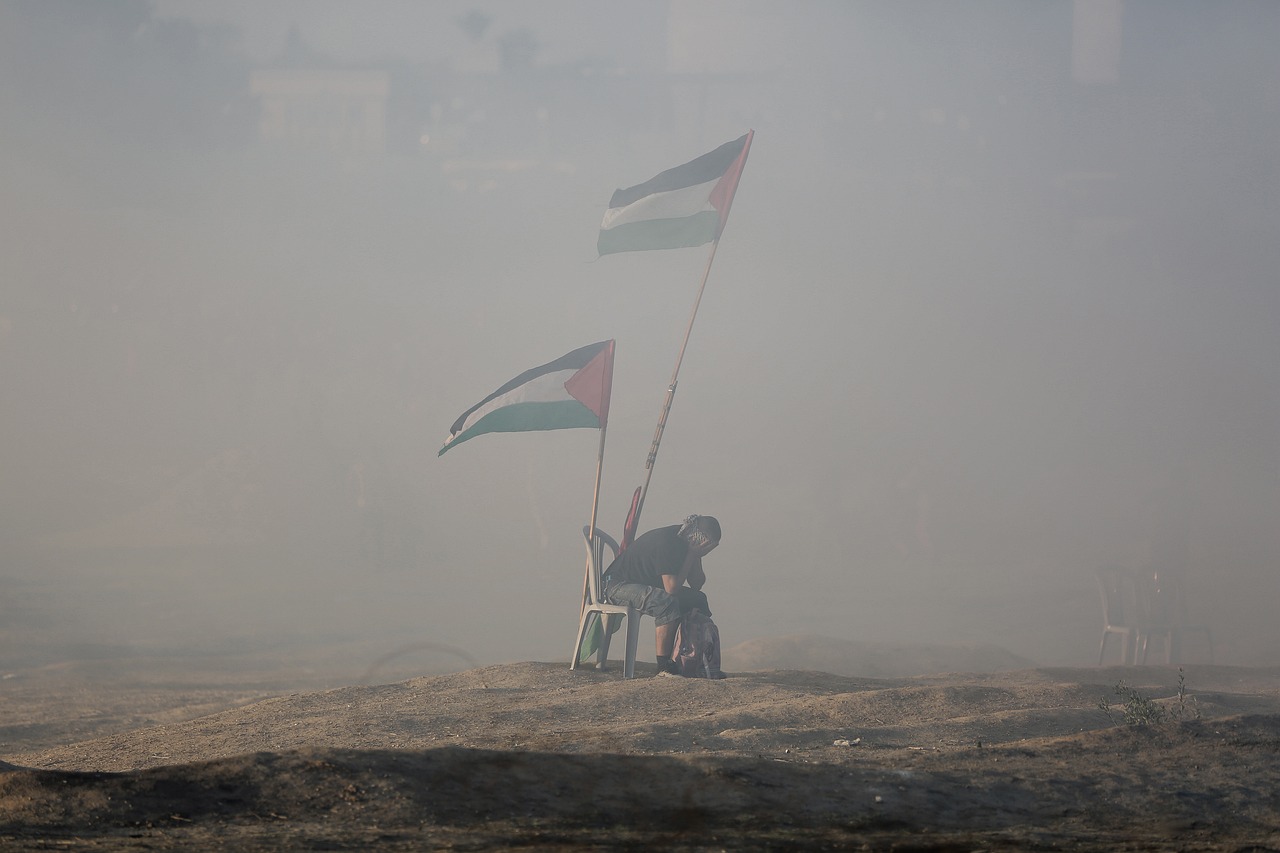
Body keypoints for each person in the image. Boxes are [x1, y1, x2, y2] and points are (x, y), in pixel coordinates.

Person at [602, 514, 721, 676]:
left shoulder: (686, 544)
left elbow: (697, 584)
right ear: (699, 538)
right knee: (665, 603)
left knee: (698, 599)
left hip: (645, 584)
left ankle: (697, 660)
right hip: (617, 585)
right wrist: (692, 555)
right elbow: (671, 588)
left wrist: (696, 557)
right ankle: (664, 666)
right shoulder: (668, 543)